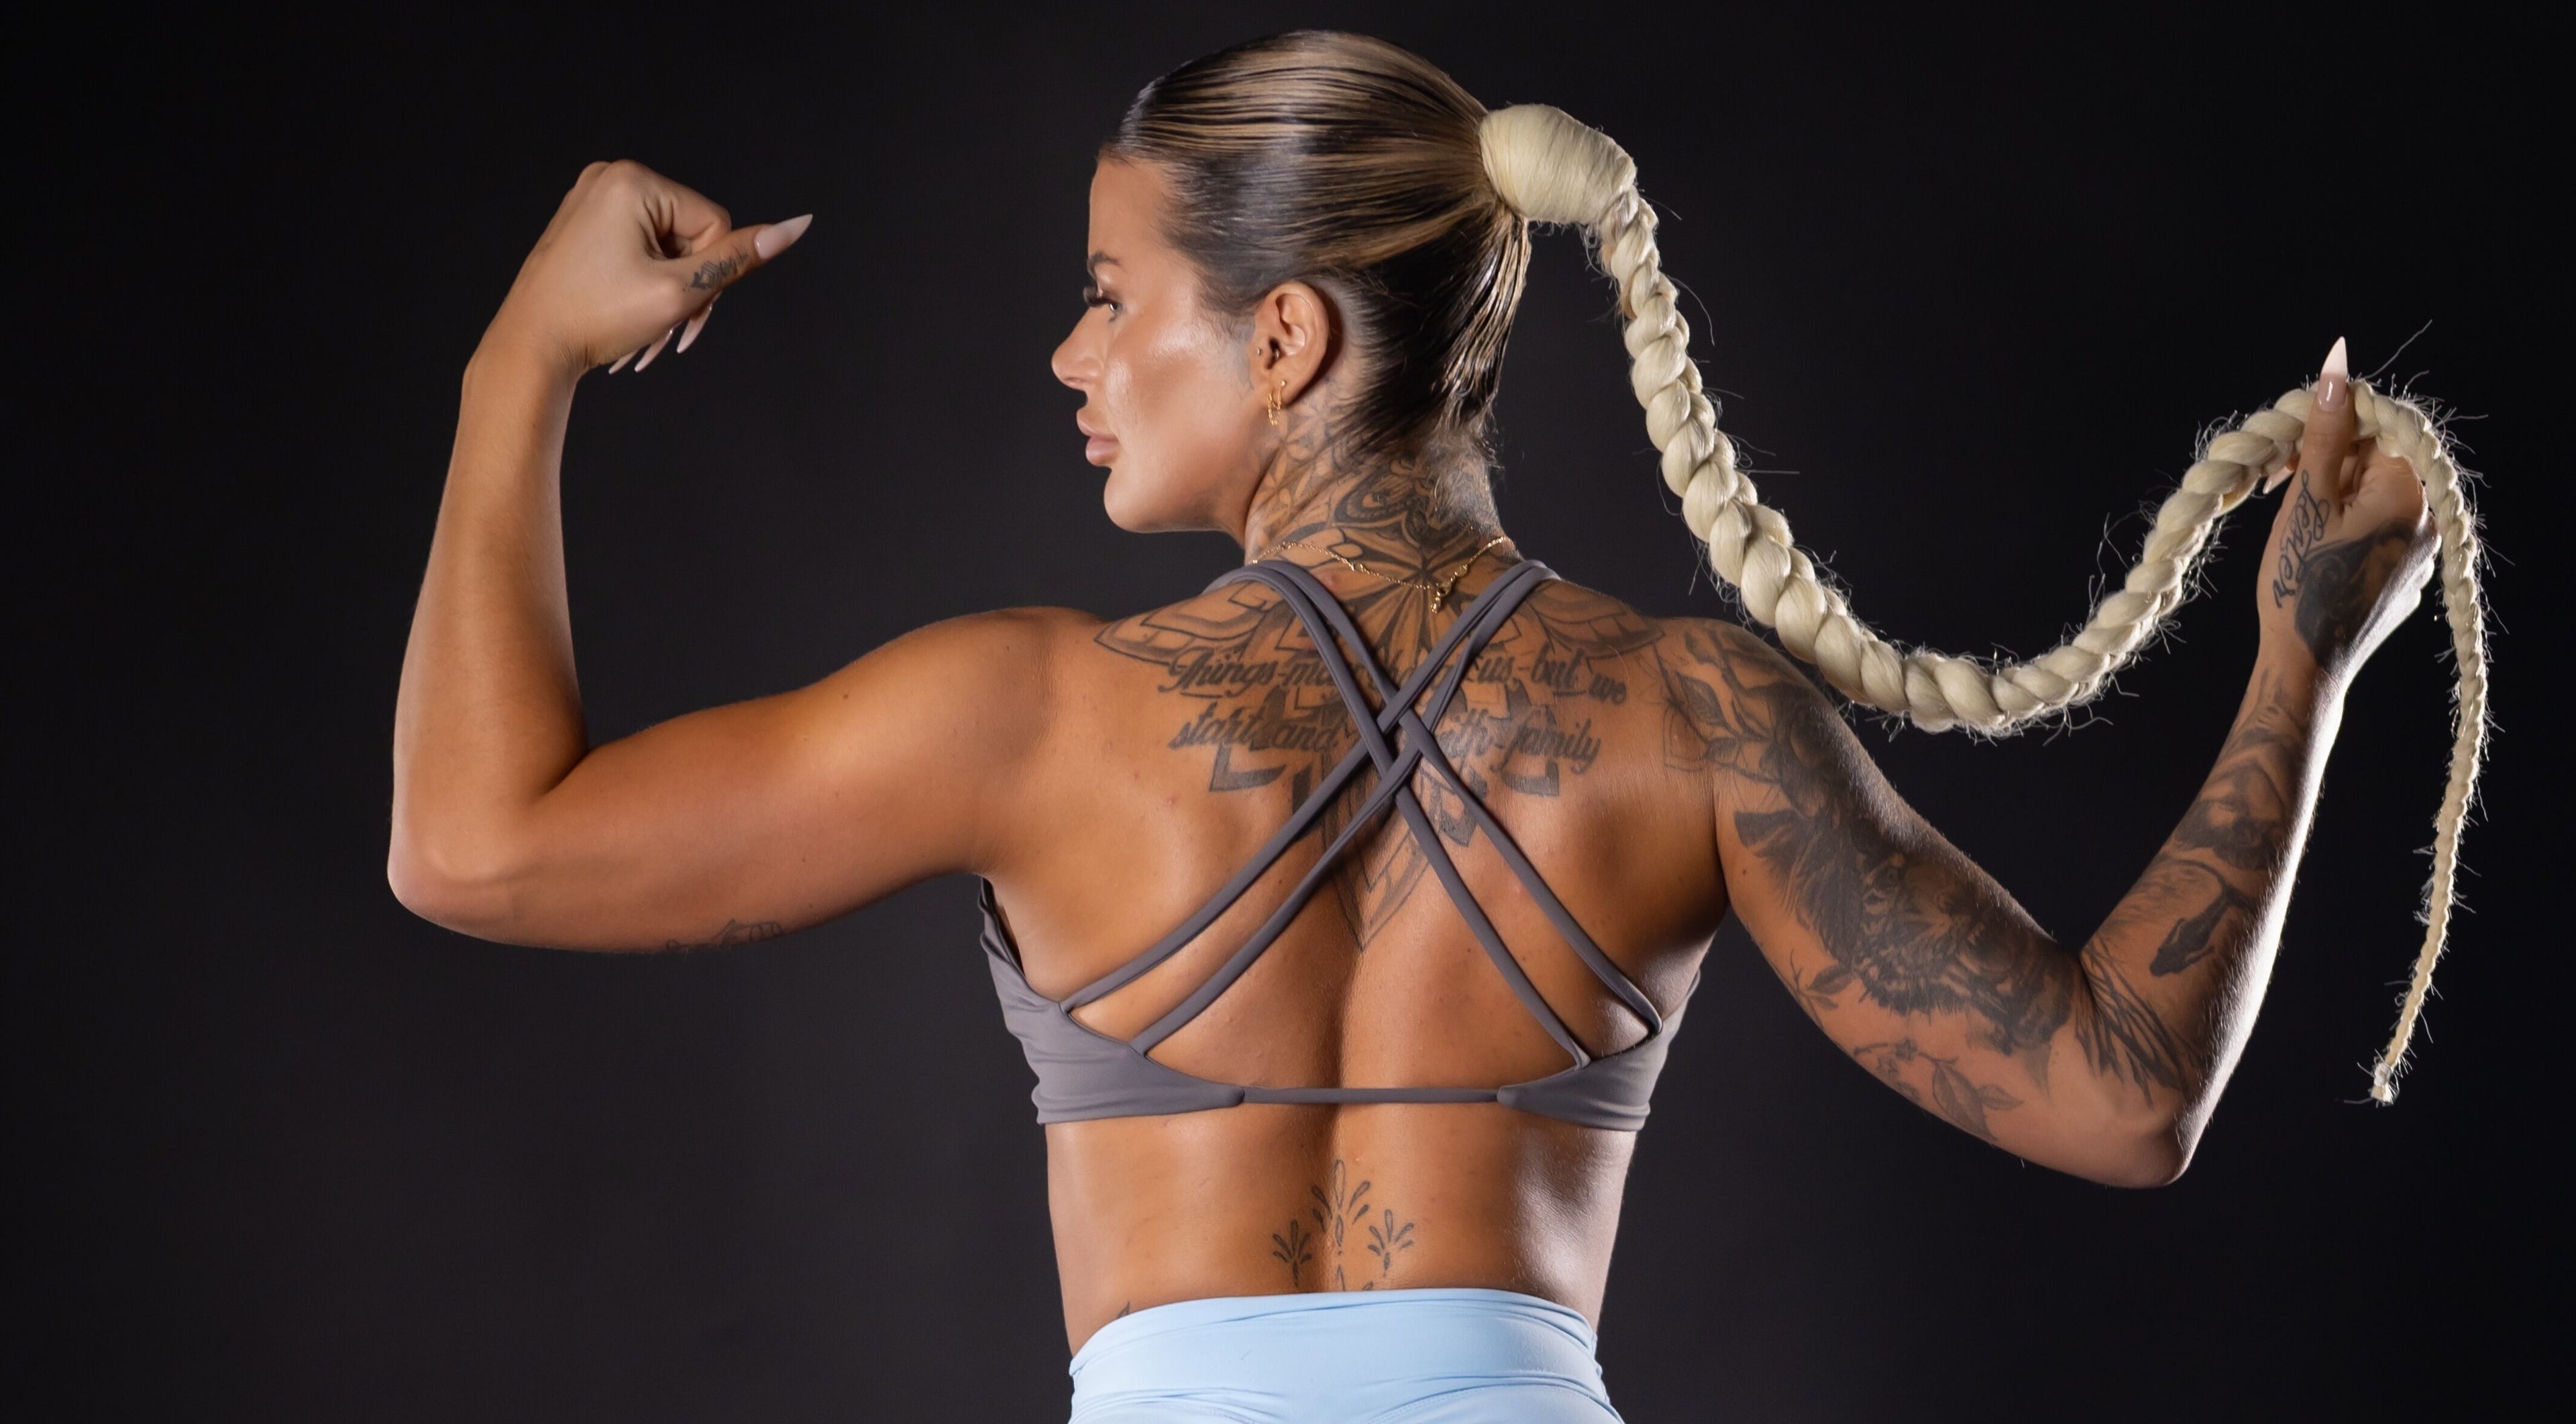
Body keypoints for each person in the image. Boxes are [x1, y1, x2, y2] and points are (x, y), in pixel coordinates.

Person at [388, 30, 2440, 1423]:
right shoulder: (1694, 717)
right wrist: (2302, 659)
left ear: (1282, 335)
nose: (1070, 347)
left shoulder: (1025, 714)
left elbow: (472, 845)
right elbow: (2123, 1091)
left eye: (1112, 290)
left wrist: (516, 362)